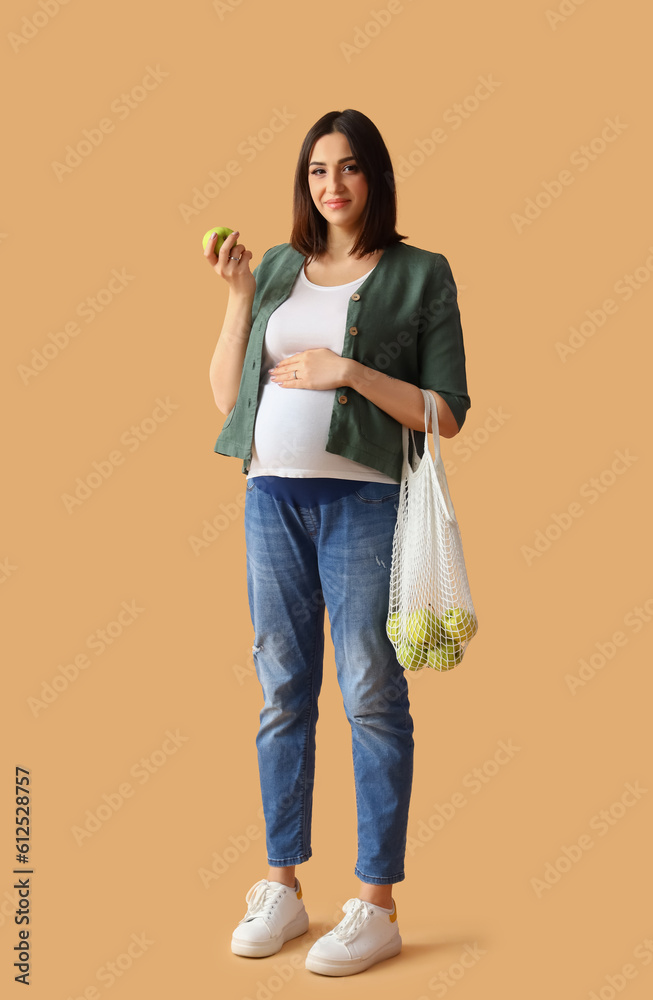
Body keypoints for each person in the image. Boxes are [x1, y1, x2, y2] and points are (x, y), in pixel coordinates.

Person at [205, 109, 471, 977]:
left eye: (349, 169)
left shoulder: (420, 273)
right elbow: (224, 401)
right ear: (304, 183)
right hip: (269, 499)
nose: (333, 186)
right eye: (318, 171)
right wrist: (241, 298)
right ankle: (282, 885)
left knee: (368, 693)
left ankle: (375, 903)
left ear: (375, 178)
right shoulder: (279, 267)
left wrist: (347, 370)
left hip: (364, 504)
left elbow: (446, 415)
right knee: (281, 687)